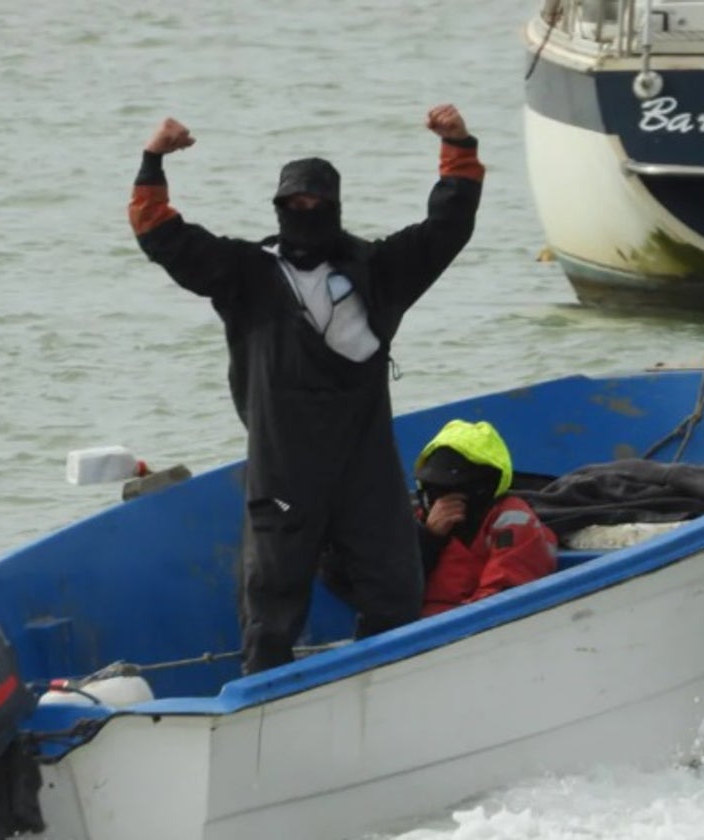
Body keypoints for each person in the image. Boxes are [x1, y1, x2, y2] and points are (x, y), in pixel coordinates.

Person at [129, 104, 485, 674]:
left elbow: (448, 226)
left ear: (337, 210)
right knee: (271, 600)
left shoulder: (378, 270)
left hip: (363, 470)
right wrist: (153, 157)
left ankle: (385, 684)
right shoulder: (246, 274)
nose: (306, 213)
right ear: (278, 208)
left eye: (317, 205)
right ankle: (265, 702)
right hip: (285, 478)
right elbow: (163, 236)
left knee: (395, 586)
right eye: (294, 205)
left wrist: (458, 145)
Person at [414, 420, 558, 617]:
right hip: (415, 629)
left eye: (456, 488)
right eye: (436, 488)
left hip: (460, 633)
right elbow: (389, 587)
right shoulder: (419, 520)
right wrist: (429, 539)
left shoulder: (513, 520)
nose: (443, 500)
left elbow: (501, 598)